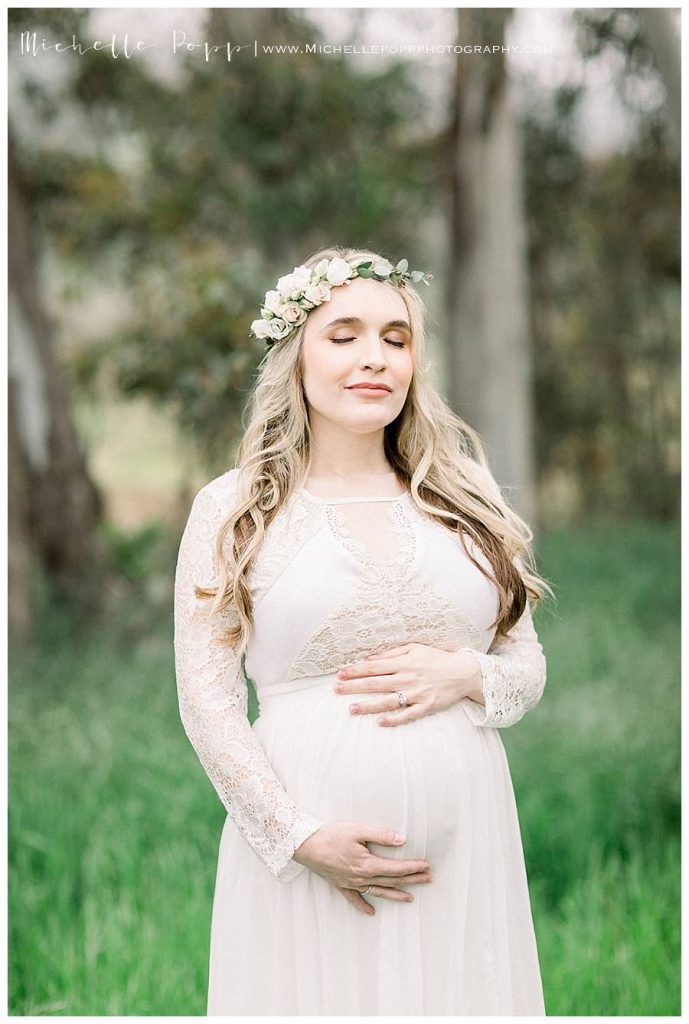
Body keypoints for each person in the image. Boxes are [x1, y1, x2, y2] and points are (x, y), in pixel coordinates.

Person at [173, 246, 553, 1015]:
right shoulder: (234, 505)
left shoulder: (464, 495)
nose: (373, 358)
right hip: (307, 862)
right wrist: (298, 838)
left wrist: (467, 676)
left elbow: (525, 663)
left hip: (468, 850)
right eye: (343, 334)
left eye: (395, 337)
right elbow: (206, 701)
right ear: (297, 355)